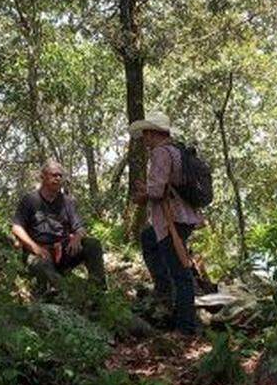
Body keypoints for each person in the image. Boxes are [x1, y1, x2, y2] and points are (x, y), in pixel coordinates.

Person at [129, 113, 204, 335]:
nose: (144, 140)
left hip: (172, 220)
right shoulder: (177, 151)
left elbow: (159, 190)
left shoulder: (161, 152)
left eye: (146, 135)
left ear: (153, 133)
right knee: (148, 238)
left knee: (181, 273)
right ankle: (164, 291)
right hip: (182, 217)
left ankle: (185, 327)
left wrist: (144, 194)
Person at [11, 161, 106, 292]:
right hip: (39, 252)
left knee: (92, 244)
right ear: (43, 177)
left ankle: (98, 291)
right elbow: (16, 227)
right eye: (54, 175)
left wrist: (77, 238)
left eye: (61, 176)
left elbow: (80, 227)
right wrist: (35, 248)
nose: (58, 178)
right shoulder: (30, 200)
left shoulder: (67, 201)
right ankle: (62, 291)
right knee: (41, 268)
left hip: (63, 251)